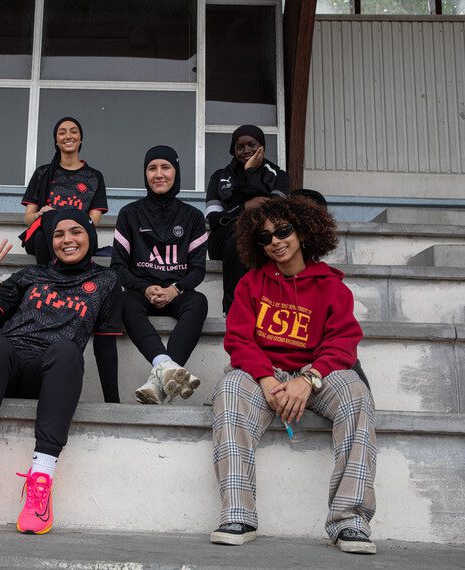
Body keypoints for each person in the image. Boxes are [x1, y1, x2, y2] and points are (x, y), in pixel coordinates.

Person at [0, 210, 123, 535]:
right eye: (58, 234)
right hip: (5, 366)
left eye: (75, 231)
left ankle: (41, 480)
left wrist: (113, 402)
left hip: (50, 373)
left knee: (67, 351)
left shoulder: (107, 282)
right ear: (50, 242)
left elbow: (105, 345)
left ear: (90, 236)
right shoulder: (31, 275)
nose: (67, 239)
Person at [211, 196, 377, 555]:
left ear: (302, 231)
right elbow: (238, 339)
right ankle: (238, 514)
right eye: (265, 237)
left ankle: (349, 520)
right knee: (228, 388)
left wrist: (309, 379)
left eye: (283, 230)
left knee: (357, 395)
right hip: (265, 374)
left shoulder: (333, 287)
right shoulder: (251, 284)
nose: (275, 241)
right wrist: (267, 380)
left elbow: (343, 342)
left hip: (318, 373)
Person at [111, 145, 209, 404]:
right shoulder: (130, 214)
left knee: (198, 301)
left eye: (165, 167)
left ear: (176, 172)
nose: (158, 174)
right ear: (145, 174)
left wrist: (174, 289)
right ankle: (165, 366)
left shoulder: (193, 217)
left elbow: (198, 269)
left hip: (177, 292)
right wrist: (144, 288)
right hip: (141, 293)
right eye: (152, 168)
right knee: (123, 301)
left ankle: (158, 380)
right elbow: (118, 267)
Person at [205, 125, 289, 315]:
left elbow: (272, 213)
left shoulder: (279, 176)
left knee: (253, 233)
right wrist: (243, 207)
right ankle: (234, 309)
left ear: (262, 146)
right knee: (239, 235)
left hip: (262, 237)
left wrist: (249, 172)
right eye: (239, 147)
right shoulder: (219, 177)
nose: (246, 151)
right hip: (223, 240)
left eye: (252, 144)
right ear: (233, 150)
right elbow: (214, 219)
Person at [20, 117, 108, 265]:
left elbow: (93, 221)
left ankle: (51, 280)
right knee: (49, 217)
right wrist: (40, 214)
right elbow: (28, 219)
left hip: (80, 238)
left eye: (73, 132)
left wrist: (70, 226)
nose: (68, 136)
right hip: (41, 234)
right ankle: (65, 272)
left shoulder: (94, 177)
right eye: (62, 133)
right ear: (56, 141)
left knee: (43, 238)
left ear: (80, 140)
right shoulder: (43, 173)